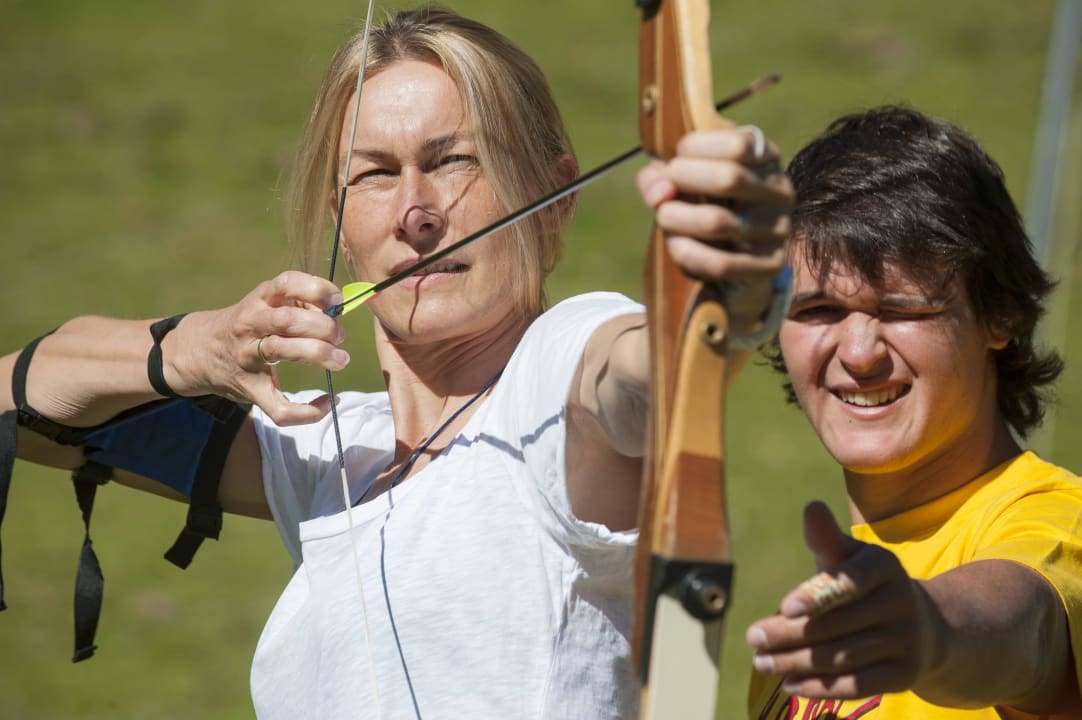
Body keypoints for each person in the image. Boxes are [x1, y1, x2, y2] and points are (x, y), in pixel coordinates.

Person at [0, 6, 791, 718]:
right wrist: (194, 348)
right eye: (376, 173)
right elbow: (21, 402)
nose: (416, 213)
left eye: (453, 161)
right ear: (344, 227)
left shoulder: (554, 379)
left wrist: (732, 279)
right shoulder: (329, 456)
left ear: (555, 201)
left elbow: (656, 372)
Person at [742, 106, 1082, 719]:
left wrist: (930, 634)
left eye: (904, 309)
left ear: (999, 315)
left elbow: (1022, 629)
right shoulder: (812, 633)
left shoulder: (1057, 525)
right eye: (818, 310)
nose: (858, 352)